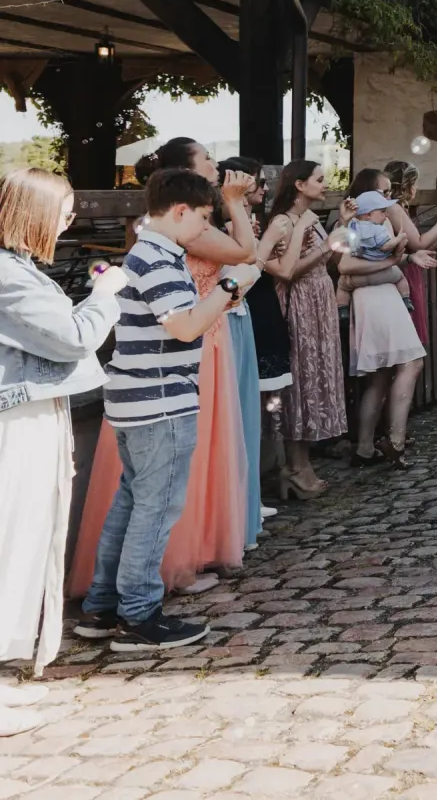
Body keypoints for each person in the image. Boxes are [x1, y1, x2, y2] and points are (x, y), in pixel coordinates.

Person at [75, 168, 257, 651]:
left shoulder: (146, 253)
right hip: (159, 402)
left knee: (131, 504)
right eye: (201, 219)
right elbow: (185, 326)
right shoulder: (158, 259)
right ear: (179, 211)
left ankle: (102, 607)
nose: (203, 230)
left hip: (137, 399)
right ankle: (138, 614)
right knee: (155, 509)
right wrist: (232, 286)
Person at [0, 170, 125, 697]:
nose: (69, 222)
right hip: (17, 421)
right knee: (15, 536)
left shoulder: (19, 269)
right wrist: (106, 293)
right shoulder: (9, 275)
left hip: (33, 413)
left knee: (30, 534)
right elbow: (72, 338)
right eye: (65, 211)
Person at [259, 161, 348, 497]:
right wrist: (325, 247)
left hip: (319, 300)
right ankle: (295, 467)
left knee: (315, 379)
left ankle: (301, 462)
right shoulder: (284, 221)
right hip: (299, 304)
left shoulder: (310, 219)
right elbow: (287, 272)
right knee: (302, 379)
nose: (325, 185)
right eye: (319, 179)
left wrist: (345, 226)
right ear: (299, 184)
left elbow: (332, 261)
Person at [217, 156, 288, 552]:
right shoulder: (226, 221)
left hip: (245, 309)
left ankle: (249, 499)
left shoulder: (242, 218)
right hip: (233, 310)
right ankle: (242, 503)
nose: (261, 190)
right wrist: (267, 241)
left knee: (252, 409)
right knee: (241, 410)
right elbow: (249, 266)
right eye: (257, 183)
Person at [339, 168, 427, 468]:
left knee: (378, 376)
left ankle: (365, 447)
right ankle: (395, 441)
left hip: (377, 294)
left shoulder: (373, 221)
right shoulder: (355, 224)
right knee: (412, 362)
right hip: (378, 296)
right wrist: (392, 261)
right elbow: (346, 266)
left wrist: (404, 258)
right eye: (384, 193)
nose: (389, 199)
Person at [381, 161, 437, 349]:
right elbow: (418, 242)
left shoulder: (397, 207)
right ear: (405, 185)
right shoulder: (393, 208)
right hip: (401, 273)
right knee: (407, 344)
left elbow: (414, 248)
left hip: (408, 270)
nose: (416, 188)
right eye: (414, 183)